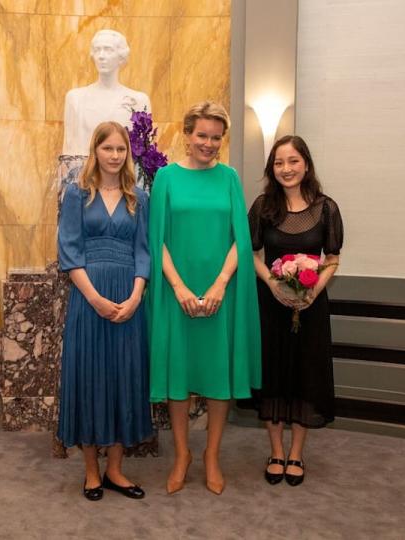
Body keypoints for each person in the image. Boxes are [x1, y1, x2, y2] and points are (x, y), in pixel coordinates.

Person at [146, 101, 261, 495]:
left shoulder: (229, 178)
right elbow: (155, 239)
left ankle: (211, 454)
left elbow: (239, 241)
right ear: (187, 133)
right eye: (202, 135)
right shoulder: (165, 178)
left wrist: (219, 285)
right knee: (178, 376)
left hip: (219, 296)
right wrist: (178, 287)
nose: (208, 143)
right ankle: (182, 455)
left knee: (216, 378)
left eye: (216, 137)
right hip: (175, 294)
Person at [56, 121, 153, 501]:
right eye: (107, 148)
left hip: (128, 298)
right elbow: (69, 251)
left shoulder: (138, 197)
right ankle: (92, 472)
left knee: (123, 378)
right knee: (91, 376)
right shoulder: (76, 193)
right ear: (94, 150)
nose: (114, 156)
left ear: (128, 154)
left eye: (121, 149)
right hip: (88, 298)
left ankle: (116, 469)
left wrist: (135, 297)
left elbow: (143, 251)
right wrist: (95, 298)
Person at [246, 135, 343, 487]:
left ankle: (297, 453)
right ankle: (275, 450)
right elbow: (250, 253)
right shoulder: (263, 206)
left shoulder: (326, 208)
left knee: (305, 376)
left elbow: (332, 259)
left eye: (293, 161)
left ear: (306, 164)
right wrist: (273, 284)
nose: (286, 169)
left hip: (310, 307)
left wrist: (313, 290)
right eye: (278, 163)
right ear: (272, 168)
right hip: (270, 307)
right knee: (273, 375)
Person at [62, 29, 152, 157]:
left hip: (124, 175)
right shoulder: (76, 98)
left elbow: (144, 153)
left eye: (108, 50)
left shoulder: (139, 101)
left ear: (121, 56)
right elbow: (69, 153)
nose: (101, 56)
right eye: (97, 50)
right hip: (85, 174)